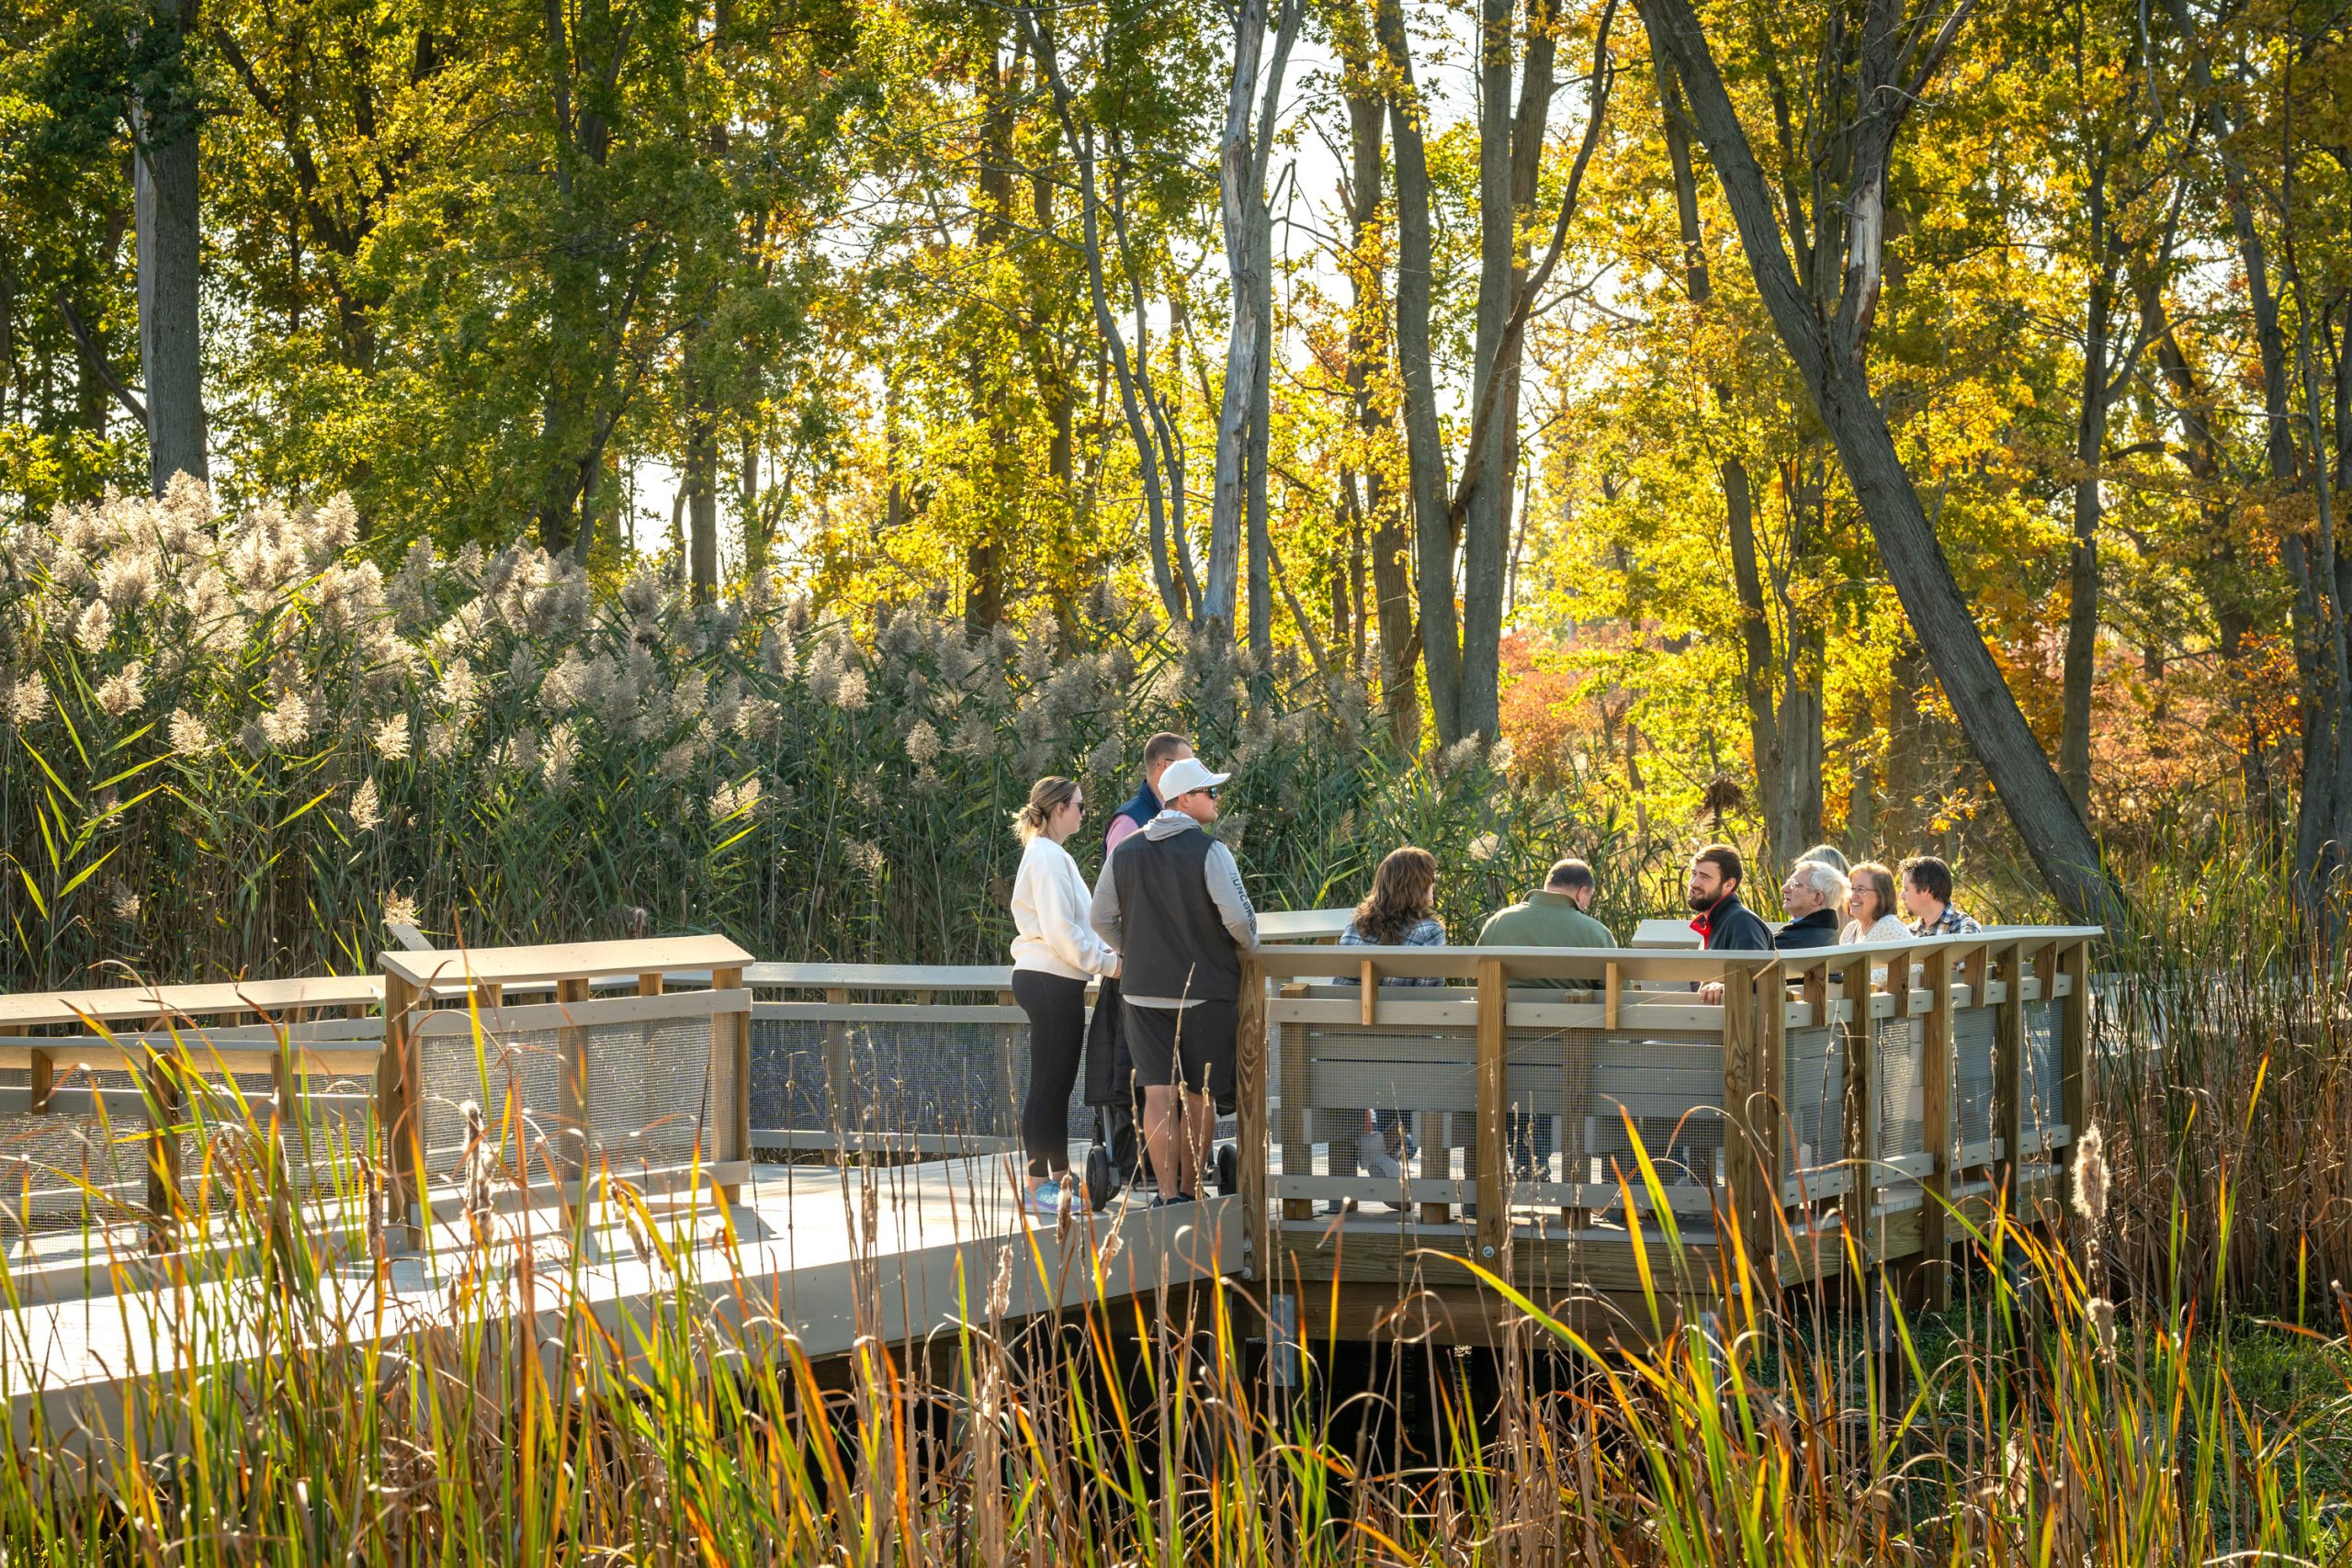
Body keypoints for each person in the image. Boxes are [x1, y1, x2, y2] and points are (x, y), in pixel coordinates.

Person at [1091, 754, 1258, 1205]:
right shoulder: (1210, 851)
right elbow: (1241, 920)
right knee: (1200, 1096)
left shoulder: (1125, 853)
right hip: (1205, 990)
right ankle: (1191, 1189)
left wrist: (1136, 946)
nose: (1217, 799)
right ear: (1185, 799)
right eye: (1210, 792)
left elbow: (1099, 918)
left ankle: (1165, 1196)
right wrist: (1247, 944)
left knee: (1157, 1094)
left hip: (1141, 992)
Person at [1008, 777, 1122, 1215]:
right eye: (1077, 805)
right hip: (1049, 978)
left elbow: (1081, 925)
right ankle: (1038, 1188)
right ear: (1058, 809)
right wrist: (1109, 965)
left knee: (1055, 1084)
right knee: (1049, 1086)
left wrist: (1108, 951)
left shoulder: (1051, 855)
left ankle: (1058, 1179)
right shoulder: (1048, 858)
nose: (1082, 812)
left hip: (1053, 978)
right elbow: (1059, 930)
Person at [1087, 731, 1195, 1187]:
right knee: (1144, 1077)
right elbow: (1115, 905)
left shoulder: (1182, 817)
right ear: (1162, 768)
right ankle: (1145, 1167)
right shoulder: (1130, 824)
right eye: (1188, 766)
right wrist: (1136, 952)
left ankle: (1179, 1170)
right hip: (1140, 977)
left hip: (1180, 976)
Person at [1479, 858, 1620, 1176]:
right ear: (1583, 892)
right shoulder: (1595, 933)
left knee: (1529, 1073)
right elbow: (1613, 997)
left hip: (1503, 1055)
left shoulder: (1498, 922)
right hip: (1574, 1062)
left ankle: (1530, 1167)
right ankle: (1570, 1178)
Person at [1338, 847, 1443, 1187]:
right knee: (1431, 1055)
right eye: (1430, 881)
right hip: (1405, 1054)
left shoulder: (1356, 926)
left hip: (1347, 1050)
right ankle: (1398, 1147)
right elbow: (1429, 999)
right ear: (1417, 886)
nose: (1433, 888)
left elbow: (1341, 988)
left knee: (1384, 1059)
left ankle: (1370, 1159)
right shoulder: (1429, 931)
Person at [1689, 843, 1772, 1004]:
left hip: (1737, 1026)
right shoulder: (1716, 922)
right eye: (1694, 874)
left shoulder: (1742, 923)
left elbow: (1757, 981)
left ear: (1729, 885)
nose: (1694, 883)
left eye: (1705, 877)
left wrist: (1723, 986)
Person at [1774, 858, 1849, 950]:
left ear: (1817, 898)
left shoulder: (1788, 942)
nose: (1784, 889)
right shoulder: (1830, 936)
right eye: (1788, 882)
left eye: (1794, 884)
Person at [1900, 854, 1983, 936]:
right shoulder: (1909, 933)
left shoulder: (1964, 929)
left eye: (1906, 889)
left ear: (1925, 890)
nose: (1901, 896)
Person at [1841, 861, 1908, 944]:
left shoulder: (1890, 926)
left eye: (1861, 890)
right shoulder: (1850, 930)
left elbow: (1911, 955)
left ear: (1881, 895)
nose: (1853, 896)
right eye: (1852, 889)